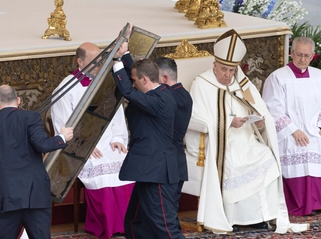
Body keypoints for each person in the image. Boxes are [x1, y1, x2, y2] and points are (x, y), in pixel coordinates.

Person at [184, 29, 308, 234]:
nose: (227, 75)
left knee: (265, 156)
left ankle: (259, 217)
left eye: (231, 70)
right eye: (223, 69)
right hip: (220, 140)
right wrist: (228, 123)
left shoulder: (241, 83)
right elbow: (196, 118)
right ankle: (232, 217)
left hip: (245, 137)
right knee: (234, 163)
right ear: (214, 65)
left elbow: (259, 109)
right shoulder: (201, 84)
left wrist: (259, 123)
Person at [51, 42, 134, 239]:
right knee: (101, 171)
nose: (100, 65)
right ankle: (106, 226)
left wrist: (117, 138)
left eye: (101, 60)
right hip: (83, 146)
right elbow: (62, 124)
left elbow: (116, 113)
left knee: (125, 163)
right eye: (95, 61)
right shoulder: (66, 88)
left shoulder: (107, 81)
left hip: (108, 140)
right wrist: (85, 147)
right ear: (80, 61)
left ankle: (129, 225)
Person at [0, 85, 74, 239]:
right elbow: (43, 144)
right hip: (34, 193)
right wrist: (62, 137)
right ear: (18, 100)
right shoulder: (30, 117)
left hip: (4, 194)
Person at [112, 37, 185, 238]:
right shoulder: (160, 92)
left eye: (135, 80)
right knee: (135, 222)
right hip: (149, 171)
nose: (133, 83)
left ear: (144, 80)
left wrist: (116, 61)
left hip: (157, 173)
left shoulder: (158, 100)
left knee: (165, 227)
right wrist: (126, 54)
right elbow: (136, 77)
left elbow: (127, 90)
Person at [262, 37, 321, 216]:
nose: (302, 59)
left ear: (313, 56)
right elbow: (273, 108)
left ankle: (316, 203)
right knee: (297, 146)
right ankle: (298, 205)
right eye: (299, 54)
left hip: (314, 130)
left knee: (315, 144)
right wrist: (294, 130)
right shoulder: (278, 77)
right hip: (289, 132)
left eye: (307, 55)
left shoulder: (319, 76)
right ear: (291, 53)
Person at [155, 57, 193, 209]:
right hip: (178, 160)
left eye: (154, 78)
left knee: (164, 211)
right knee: (171, 209)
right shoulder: (185, 95)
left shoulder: (166, 97)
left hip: (166, 162)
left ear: (164, 78)